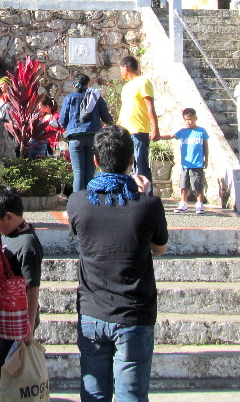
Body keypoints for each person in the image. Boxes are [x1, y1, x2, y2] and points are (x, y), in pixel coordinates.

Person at [67, 125, 168, 402]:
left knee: (94, 395)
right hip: (134, 312)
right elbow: (159, 248)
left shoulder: (77, 203)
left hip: (92, 310)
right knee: (131, 396)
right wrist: (145, 196)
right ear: (132, 161)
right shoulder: (148, 205)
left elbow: (80, 236)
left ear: (96, 161)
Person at [0, 186, 43, 401]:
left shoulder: (27, 243)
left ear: (9, 216)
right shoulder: (8, 234)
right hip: (4, 318)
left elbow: (32, 287)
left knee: (8, 372)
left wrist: (28, 327)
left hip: (18, 322)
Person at [59, 73, 114, 192]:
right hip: (92, 136)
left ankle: (77, 203)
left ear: (74, 85)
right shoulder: (95, 97)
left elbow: (62, 120)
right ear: (88, 84)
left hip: (75, 138)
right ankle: (90, 201)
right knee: (90, 171)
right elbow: (107, 118)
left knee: (78, 172)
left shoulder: (69, 98)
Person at [159, 108, 210, 214]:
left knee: (198, 184)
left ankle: (199, 203)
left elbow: (206, 146)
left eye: (190, 119)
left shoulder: (201, 131)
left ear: (195, 118)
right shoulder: (182, 132)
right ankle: (183, 203)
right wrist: (158, 137)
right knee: (184, 184)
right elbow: (171, 136)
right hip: (185, 164)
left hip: (197, 163)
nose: (188, 122)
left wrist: (206, 160)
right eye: (186, 119)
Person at [117, 56, 160, 180]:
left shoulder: (144, 82)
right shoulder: (125, 88)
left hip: (139, 131)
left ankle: (146, 195)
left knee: (141, 166)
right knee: (129, 168)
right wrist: (117, 127)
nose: (121, 72)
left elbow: (150, 107)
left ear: (126, 67)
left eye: (121, 69)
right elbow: (123, 110)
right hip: (126, 132)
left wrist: (155, 129)